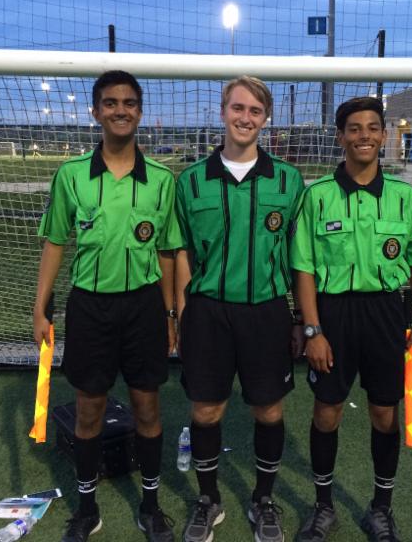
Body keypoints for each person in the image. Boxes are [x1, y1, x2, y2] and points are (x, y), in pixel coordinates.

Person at [34, 70, 181, 542]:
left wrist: (171, 314)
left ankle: (151, 506)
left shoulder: (162, 180)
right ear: (95, 111)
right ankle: (87, 509)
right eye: (111, 103)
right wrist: (40, 309)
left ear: (140, 111)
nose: (121, 110)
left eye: (129, 103)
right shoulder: (72, 175)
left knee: (147, 408)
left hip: (144, 308)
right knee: (88, 410)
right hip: (90, 309)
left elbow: (168, 252)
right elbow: (55, 242)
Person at [290, 97, 412, 542]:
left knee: (384, 413)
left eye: (373, 128)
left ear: (384, 135)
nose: (364, 136)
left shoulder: (402, 197)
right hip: (333, 314)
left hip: (386, 314)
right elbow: (303, 269)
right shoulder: (317, 196)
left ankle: (381, 509)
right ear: (340, 137)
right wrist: (313, 329)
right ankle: (323, 506)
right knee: (327, 411)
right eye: (354, 128)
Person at [174, 76, 305, 542]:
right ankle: (208, 500)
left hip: (266, 312)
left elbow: (299, 258)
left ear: (265, 119)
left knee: (268, 410)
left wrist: (300, 320)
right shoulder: (191, 181)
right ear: (222, 111)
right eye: (237, 108)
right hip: (208, 313)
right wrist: (182, 315)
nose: (245, 117)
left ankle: (263, 500)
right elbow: (181, 253)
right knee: (207, 410)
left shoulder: (289, 181)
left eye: (254, 110)